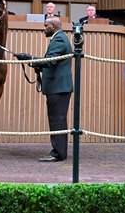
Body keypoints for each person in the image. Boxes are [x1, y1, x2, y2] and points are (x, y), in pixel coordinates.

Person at [16, 17, 73, 162]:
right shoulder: (59, 38)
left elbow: (51, 61)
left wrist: (29, 58)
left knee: (57, 121)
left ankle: (58, 153)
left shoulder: (59, 39)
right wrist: (31, 61)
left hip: (57, 88)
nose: (43, 28)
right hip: (59, 88)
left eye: (45, 25)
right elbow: (52, 62)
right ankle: (60, 152)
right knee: (58, 120)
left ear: (53, 27)